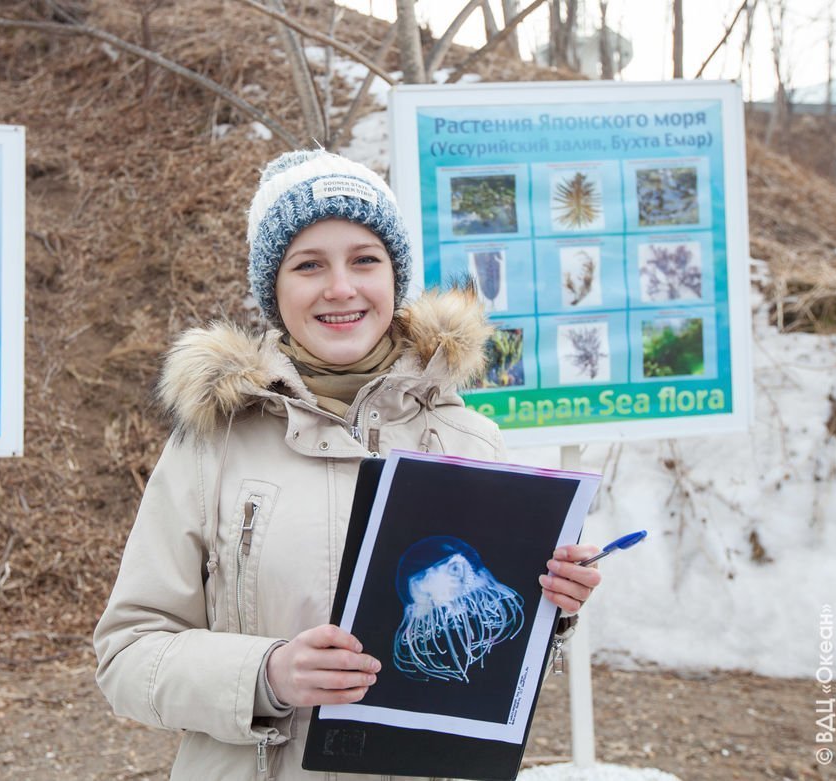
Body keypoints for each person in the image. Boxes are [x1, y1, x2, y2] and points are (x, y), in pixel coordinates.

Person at [94, 149, 602, 780]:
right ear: (274, 291)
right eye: (309, 265)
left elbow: (486, 665)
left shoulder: (472, 439)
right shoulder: (212, 444)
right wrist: (266, 674)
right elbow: (127, 654)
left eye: (365, 260)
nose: (341, 288)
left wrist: (552, 608)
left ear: (395, 276)